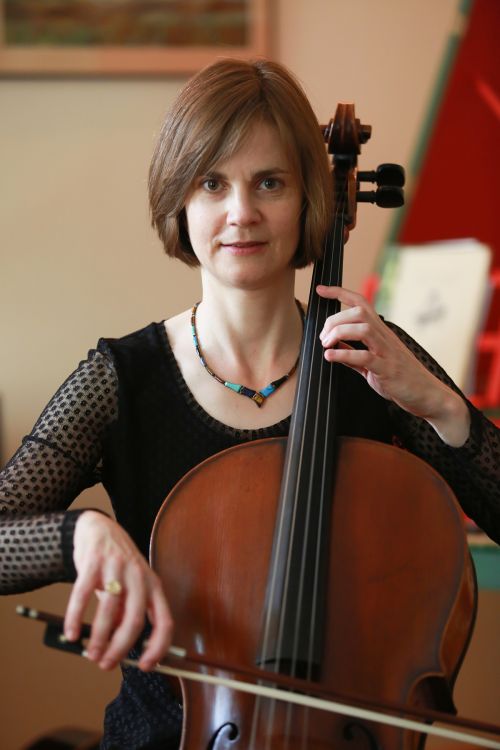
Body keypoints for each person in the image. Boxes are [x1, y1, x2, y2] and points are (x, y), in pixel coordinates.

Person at [1, 58, 499, 750]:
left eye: (270, 182)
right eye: (213, 183)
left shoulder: (372, 359)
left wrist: (443, 409)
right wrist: (80, 534)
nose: (242, 213)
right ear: (180, 200)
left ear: (309, 198)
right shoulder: (123, 378)